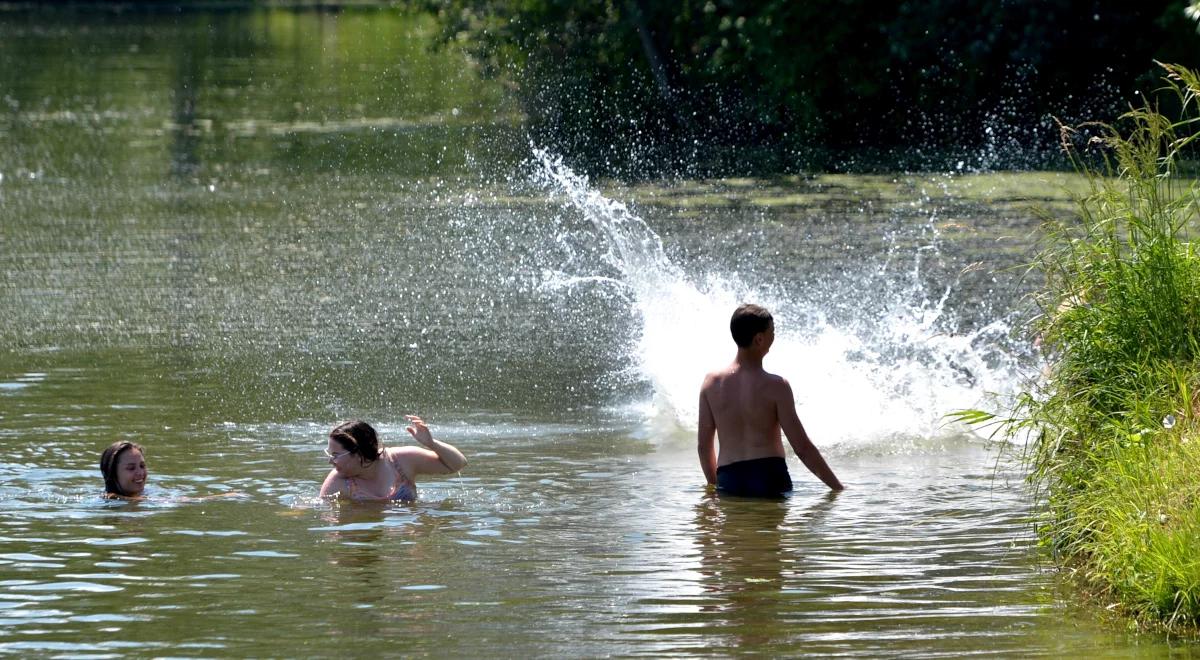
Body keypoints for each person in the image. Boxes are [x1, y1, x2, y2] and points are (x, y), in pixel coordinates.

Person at [697, 303, 844, 497]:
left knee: (733, 518)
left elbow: (704, 447)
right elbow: (802, 448)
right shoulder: (777, 386)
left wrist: (715, 487)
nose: (774, 336)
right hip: (769, 477)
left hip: (730, 479)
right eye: (772, 332)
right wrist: (837, 488)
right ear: (759, 339)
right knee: (772, 518)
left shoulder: (711, 384)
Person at [319, 416, 467, 501]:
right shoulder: (337, 483)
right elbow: (326, 516)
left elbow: (458, 463)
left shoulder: (401, 461)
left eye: (335, 455)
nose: (330, 461)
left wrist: (432, 444)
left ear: (357, 454)